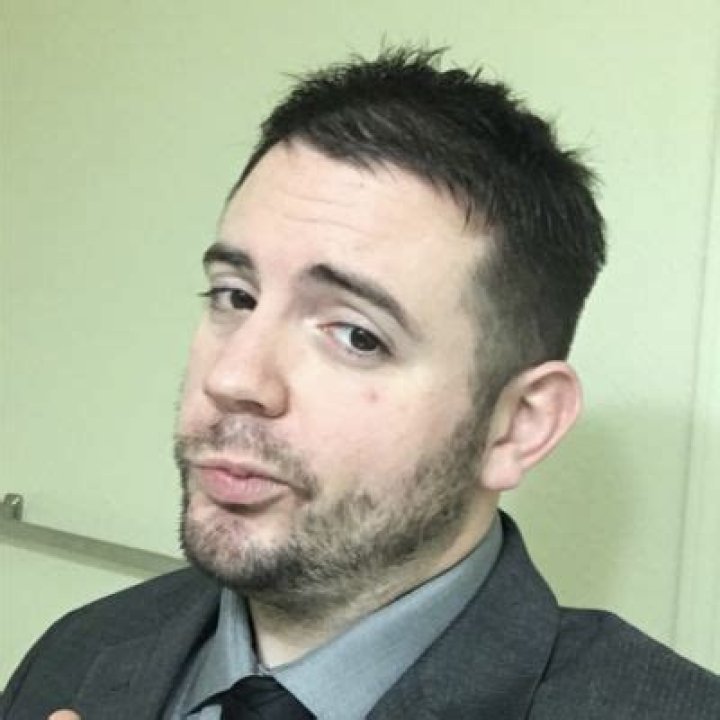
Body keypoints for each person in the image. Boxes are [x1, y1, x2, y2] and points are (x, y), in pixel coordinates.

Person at [2, 47, 719, 720]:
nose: (233, 378)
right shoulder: (81, 651)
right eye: (235, 296)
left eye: (356, 335)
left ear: (518, 426)